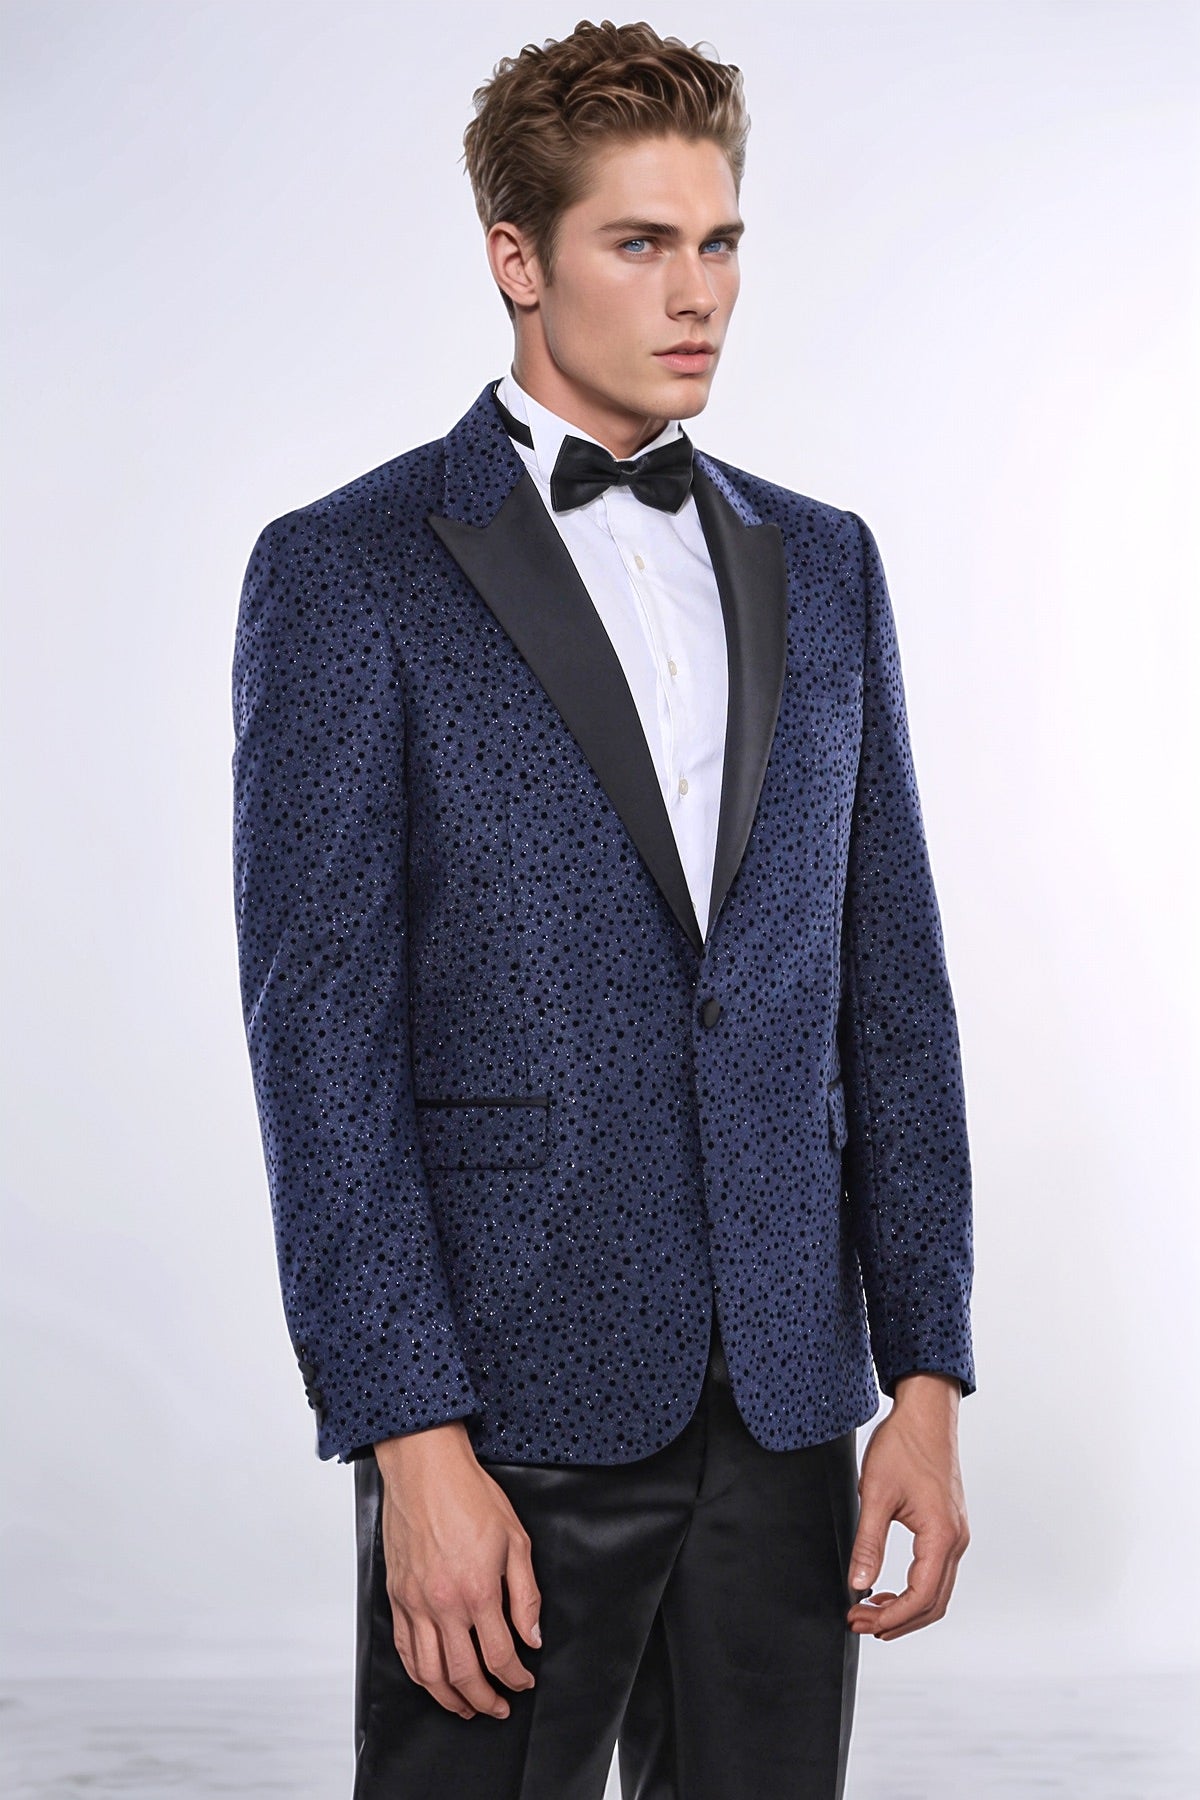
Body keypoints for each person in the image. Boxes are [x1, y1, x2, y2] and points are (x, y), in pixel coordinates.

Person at [231, 19, 976, 1799]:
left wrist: (927, 1380)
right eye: (639, 244)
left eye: (718, 242)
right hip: (507, 1402)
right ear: (518, 258)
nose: (697, 293)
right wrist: (410, 1440)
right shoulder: (346, 569)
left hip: (788, 1394)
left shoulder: (828, 562)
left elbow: (893, 994)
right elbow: (319, 1042)